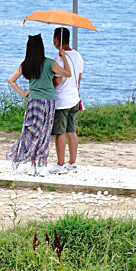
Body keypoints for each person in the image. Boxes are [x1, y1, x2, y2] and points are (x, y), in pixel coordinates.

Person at [6, 34, 71, 175]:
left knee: (32, 131)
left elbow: (11, 80)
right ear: (41, 47)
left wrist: (24, 94)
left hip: (33, 102)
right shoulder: (49, 63)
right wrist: (63, 55)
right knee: (44, 133)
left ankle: (33, 165)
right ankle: (43, 166)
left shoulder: (26, 64)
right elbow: (68, 73)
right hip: (47, 102)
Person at [50, 27, 84, 173]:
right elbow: (79, 79)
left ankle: (60, 164)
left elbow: (58, 80)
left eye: (53, 38)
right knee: (71, 131)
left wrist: (50, 88)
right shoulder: (78, 55)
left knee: (60, 132)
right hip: (74, 98)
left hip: (62, 100)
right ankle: (72, 163)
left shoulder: (58, 58)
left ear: (57, 40)